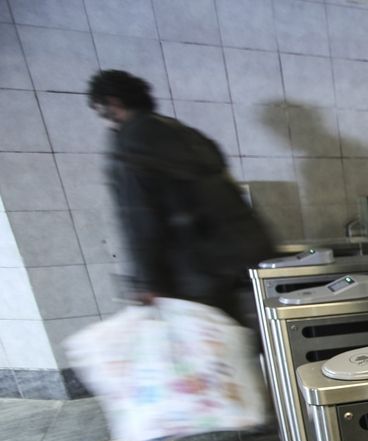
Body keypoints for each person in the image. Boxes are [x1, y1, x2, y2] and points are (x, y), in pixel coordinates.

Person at [87, 70, 275, 326]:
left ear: (113, 103)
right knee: (225, 334)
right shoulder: (185, 134)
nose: (104, 121)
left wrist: (148, 282)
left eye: (100, 111)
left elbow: (139, 218)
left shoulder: (130, 142)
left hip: (185, 272)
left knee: (197, 344)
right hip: (229, 262)